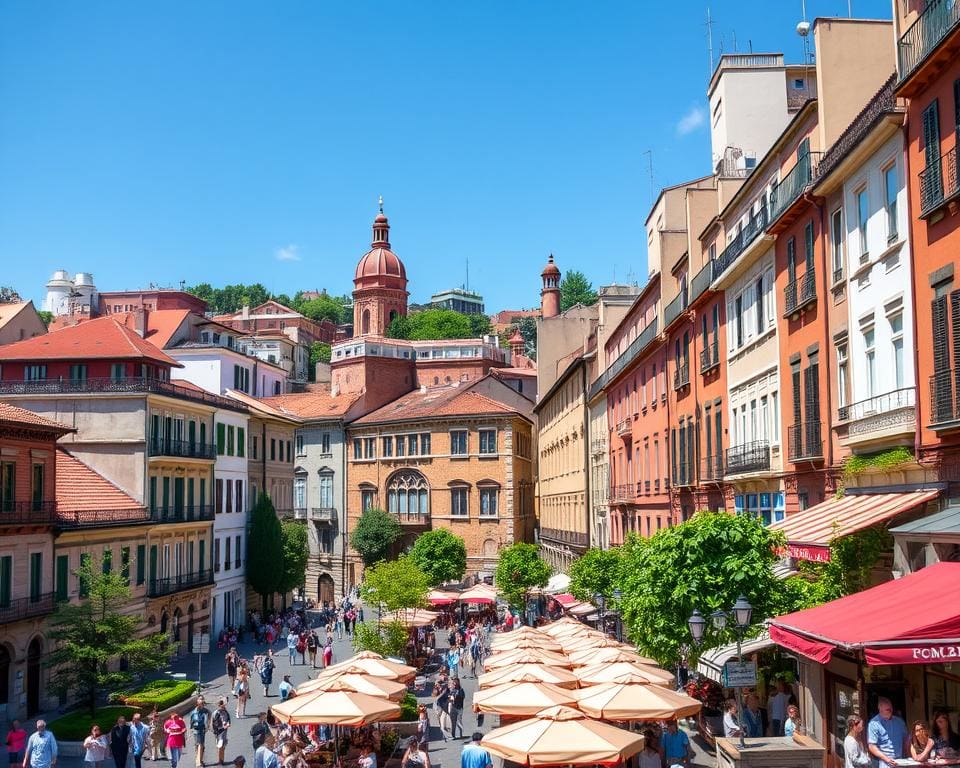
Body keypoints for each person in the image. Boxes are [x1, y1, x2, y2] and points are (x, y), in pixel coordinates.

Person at [867, 697, 909, 767]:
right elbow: (872, 746)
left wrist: (908, 755)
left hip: (901, 761)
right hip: (885, 762)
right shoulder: (874, 723)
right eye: (887, 709)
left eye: (891, 709)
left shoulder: (899, 722)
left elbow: (906, 739)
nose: (890, 711)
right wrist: (887, 759)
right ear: (880, 709)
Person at [190, 696, 211, 768]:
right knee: (200, 745)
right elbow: (191, 722)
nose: (202, 700)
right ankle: (198, 763)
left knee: (201, 746)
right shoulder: (194, 712)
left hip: (203, 731)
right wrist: (191, 731)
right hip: (196, 731)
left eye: (202, 699)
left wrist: (208, 725)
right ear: (197, 702)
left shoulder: (206, 711)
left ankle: (199, 760)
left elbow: (209, 716)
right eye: (200, 699)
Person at [213, 699, 232, 766]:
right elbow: (215, 724)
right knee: (220, 746)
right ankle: (219, 761)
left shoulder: (225, 711)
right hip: (219, 732)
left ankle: (222, 760)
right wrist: (223, 726)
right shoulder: (216, 713)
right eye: (224, 704)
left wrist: (228, 724)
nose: (225, 705)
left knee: (223, 746)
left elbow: (229, 719)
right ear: (220, 705)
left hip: (224, 732)